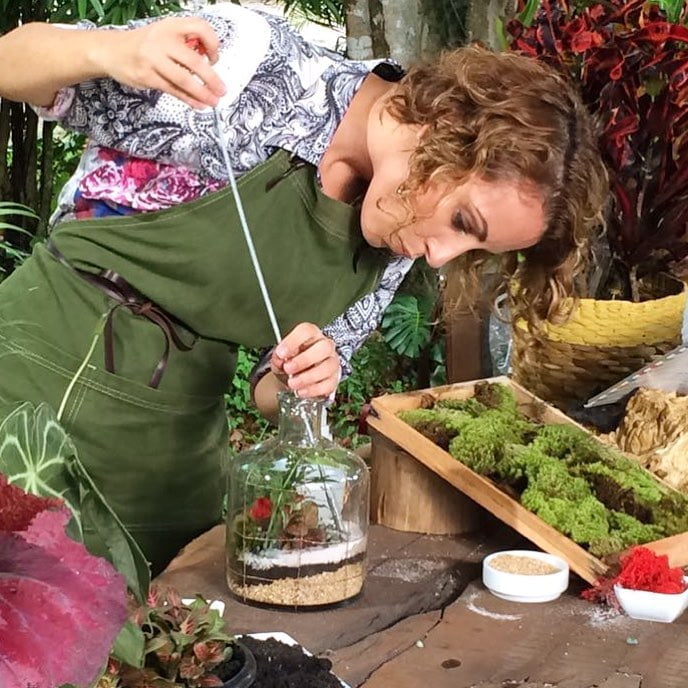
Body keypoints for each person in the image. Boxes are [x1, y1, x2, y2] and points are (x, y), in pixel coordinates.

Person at [0, 3, 607, 573]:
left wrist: (304, 376)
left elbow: (271, 389)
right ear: (446, 129)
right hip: (34, 376)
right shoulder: (256, 67)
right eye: (463, 222)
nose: (442, 256)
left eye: (475, 251)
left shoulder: (390, 238)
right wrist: (116, 50)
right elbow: (11, 61)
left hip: (173, 456)